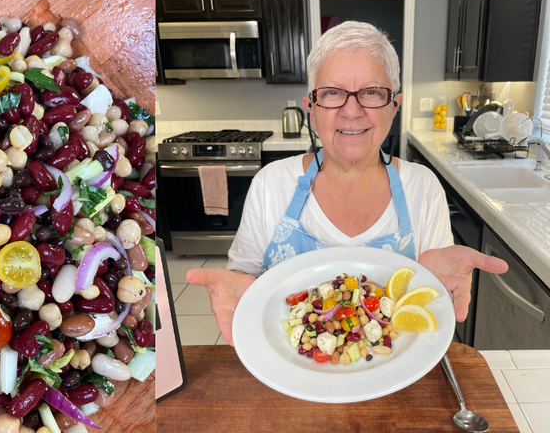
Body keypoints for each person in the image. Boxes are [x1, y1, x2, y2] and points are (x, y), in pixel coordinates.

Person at [187, 21, 508, 345]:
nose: (351, 111)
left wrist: (436, 290)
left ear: (393, 107)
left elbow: (427, 303)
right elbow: (244, 278)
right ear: (311, 109)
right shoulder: (271, 185)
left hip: (396, 381)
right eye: (332, 93)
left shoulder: (422, 189)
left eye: (371, 92)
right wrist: (241, 289)